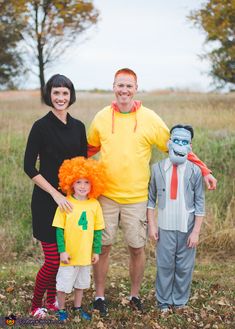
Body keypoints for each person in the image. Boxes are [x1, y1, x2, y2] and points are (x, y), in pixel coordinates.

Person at [87, 68, 216, 316]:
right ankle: (100, 296)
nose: (124, 90)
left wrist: (204, 170)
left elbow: (178, 146)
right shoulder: (101, 117)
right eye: (120, 85)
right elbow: (89, 148)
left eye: (129, 86)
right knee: (103, 247)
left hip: (137, 198)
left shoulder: (150, 118)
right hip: (106, 196)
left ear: (136, 88)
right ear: (113, 87)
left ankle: (135, 295)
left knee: (137, 248)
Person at [24, 74, 87, 319]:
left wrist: (78, 198)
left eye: (65, 93)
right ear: (49, 95)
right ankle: (34, 306)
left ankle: (52, 301)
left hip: (71, 203)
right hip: (45, 201)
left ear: (71, 96)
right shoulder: (40, 126)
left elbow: (82, 165)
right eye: (56, 93)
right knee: (52, 260)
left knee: (62, 259)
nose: (60, 98)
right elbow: (29, 166)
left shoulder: (79, 126)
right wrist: (54, 193)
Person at [147, 124, 205, 312]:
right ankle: (163, 301)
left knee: (183, 267)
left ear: (190, 145)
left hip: (186, 227)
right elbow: (151, 200)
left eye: (184, 141)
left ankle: (179, 301)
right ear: (169, 142)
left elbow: (199, 204)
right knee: (164, 265)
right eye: (176, 140)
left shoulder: (195, 171)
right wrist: (152, 225)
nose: (179, 144)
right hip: (165, 226)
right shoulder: (157, 169)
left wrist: (195, 231)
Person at [52, 156, 106, 321]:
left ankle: (77, 307)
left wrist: (96, 251)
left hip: (85, 256)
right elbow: (59, 230)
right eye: (78, 182)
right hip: (68, 256)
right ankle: (60, 309)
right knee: (63, 285)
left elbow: (97, 231)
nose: (82, 186)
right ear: (70, 183)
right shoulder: (65, 203)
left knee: (81, 285)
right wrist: (62, 251)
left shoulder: (94, 205)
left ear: (93, 184)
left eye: (87, 182)